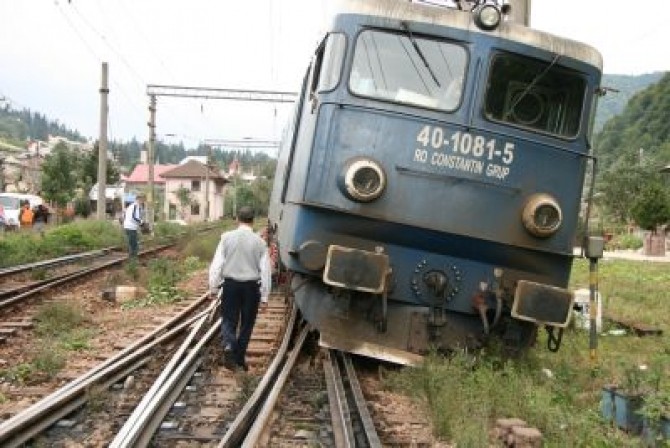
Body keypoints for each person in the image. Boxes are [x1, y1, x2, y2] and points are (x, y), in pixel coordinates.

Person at [208, 206, 271, 372]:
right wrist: (265, 297)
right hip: (251, 288)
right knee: (247, 325)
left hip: (231, 286)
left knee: (229, 320)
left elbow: (217, 265)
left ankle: (229, 345)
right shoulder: (261, 243)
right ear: (253, 220)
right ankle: (239, 359)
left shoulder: (226, 238)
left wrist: (213, 288)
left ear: (237, 219)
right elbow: (265, 271)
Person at [122, 193, 145, 258]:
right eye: (142, 199)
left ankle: (132, 259)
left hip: (131, 227)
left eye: (143, 200)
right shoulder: (134, 206)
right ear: (138, 199)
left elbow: (126, 216)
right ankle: (133, 260)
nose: (142, 201)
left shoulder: (135, 206)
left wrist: (140, 223)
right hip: (130, 227)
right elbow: (133, 217)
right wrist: (141, 222)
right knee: (134, 245)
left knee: (133, 244)